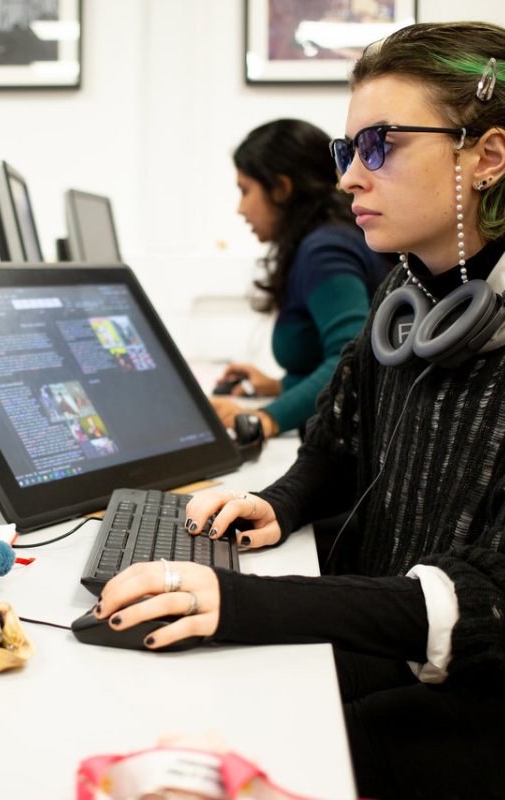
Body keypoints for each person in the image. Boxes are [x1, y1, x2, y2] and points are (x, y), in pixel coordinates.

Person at [96, 21, 505, 799]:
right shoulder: (410, 290)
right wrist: (273, 503)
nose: (351, 176)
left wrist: (242, 599)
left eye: (379, 144)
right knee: (163, 705)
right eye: (344, 152)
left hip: (480, 688)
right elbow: (336, 447)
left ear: (486, 156)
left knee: (238, 747)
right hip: (398, 632)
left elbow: (486, 598)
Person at [211, 119, 389, 438]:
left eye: (245, 190)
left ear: (281, 188)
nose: (240, 208)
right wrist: (280, 386)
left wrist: (265, 418)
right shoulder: (327, 239)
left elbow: (351, 358)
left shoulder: (325, 250)